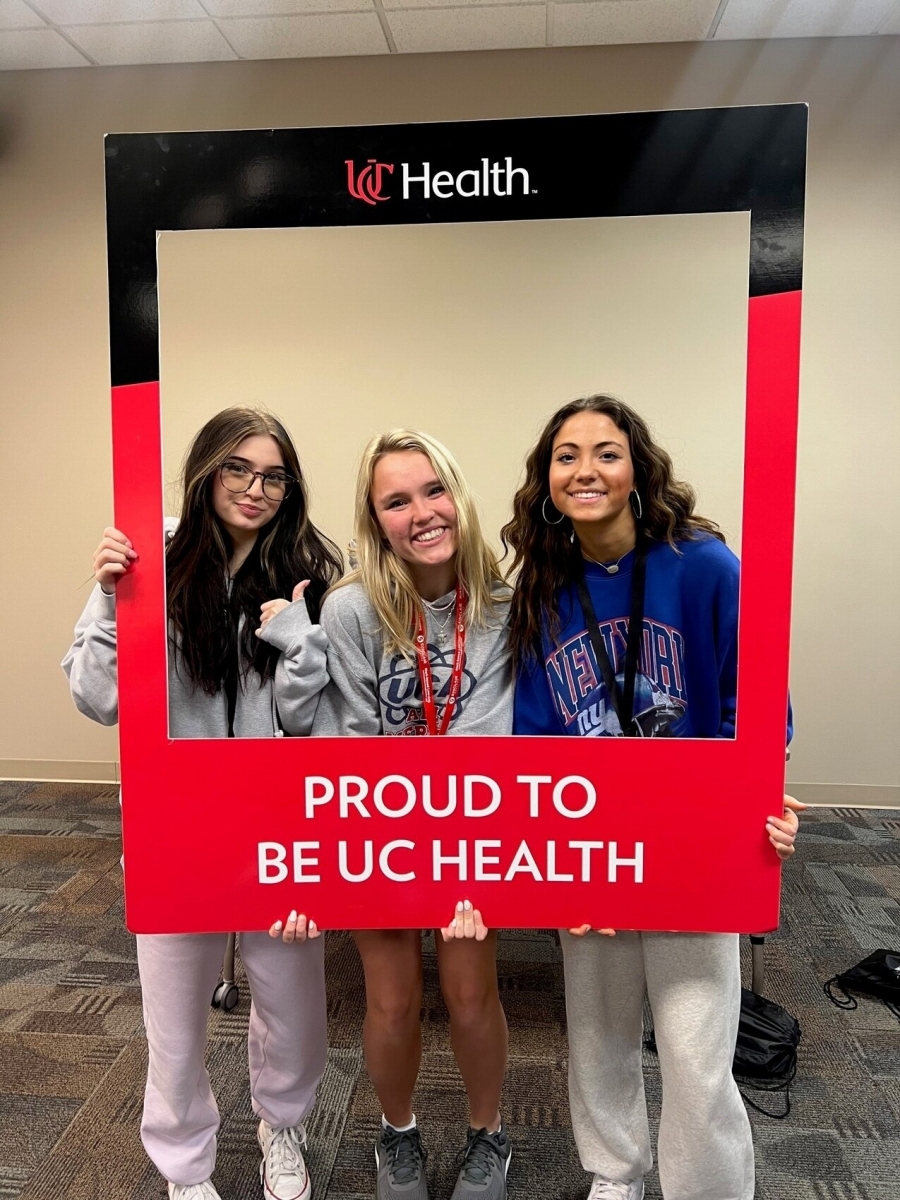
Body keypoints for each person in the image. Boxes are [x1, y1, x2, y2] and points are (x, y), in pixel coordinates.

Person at [501, 394, 802, 1200]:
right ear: (548, 480)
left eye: (606, 451)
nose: (586, 468)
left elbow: (761, 705)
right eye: (566, 455)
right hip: (591, 845)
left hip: (692, 848)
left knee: (696, 1051)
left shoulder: (705, 566)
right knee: (597, 1037)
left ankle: (706, 1190)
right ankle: (615, 1174)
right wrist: (556, 863)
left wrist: (756, 806)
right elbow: (533, 737)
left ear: (637, 469)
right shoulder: (544, 588)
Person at [62, 407, 343, 1200]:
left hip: (278, 828)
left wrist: (297, 638)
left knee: (295, 1009)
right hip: (175, 826)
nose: (256, 489)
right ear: (206, 469)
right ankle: (186, 1170)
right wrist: (112, 598)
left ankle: (282, 1126)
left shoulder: (312, 571)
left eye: (274, 475)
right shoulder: (151, 558)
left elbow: (307, 723)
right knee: (174, 1027)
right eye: (238, 470)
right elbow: (98, 697)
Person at [287, 429, 513, 1200]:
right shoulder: (350, 610)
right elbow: (348, 739)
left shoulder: (502, 605)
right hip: (379, 831)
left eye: (433, 490)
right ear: (375, 518)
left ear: (458, 495)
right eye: (396, 500)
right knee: (389, 999)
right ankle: (399, 1134)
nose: (421, 512)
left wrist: (452, 847)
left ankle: (490, 1135)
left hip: (472, 828)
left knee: (471, 991)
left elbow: (491, 736)